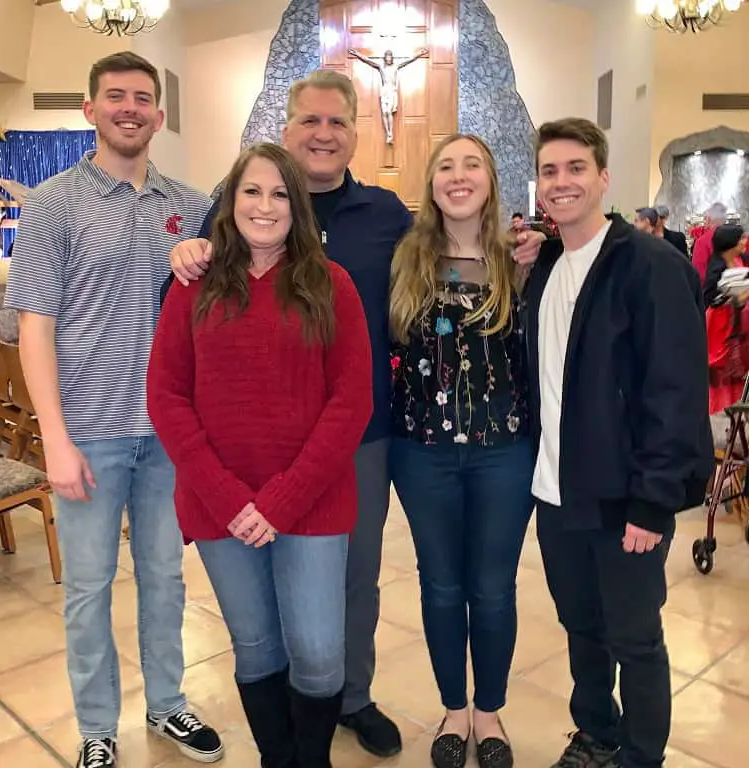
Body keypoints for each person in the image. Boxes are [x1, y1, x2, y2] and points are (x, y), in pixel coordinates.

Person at [166, 69, 545, 759]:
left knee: (353, 577)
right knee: (269, 588)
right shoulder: (240, 208)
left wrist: (518, 255)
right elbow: (191, 298)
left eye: (337, 122)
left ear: (353, 134)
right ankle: (286, 699)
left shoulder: (388, 217)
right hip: (246, 444)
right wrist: (186, 252)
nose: (322, 132)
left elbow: (453, 262)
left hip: (360, 432)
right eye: (309, 121)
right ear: (286, 132)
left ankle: (351, 695)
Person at [4, 52, 223, 768]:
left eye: (142, 98)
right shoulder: (52, 203)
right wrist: (54, 441)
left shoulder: (188, 205)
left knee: (164, 578)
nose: (129, 108)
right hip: (88, 434)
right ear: (90, 110)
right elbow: (34, 325)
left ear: (158, 116)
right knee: (89, 588)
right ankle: (98, 727)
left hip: (168, 436)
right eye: (115, 97)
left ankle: (167, 705)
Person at [147, 141, 373, 768]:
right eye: (252, 191)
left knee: (320, 650)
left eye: (280, 193)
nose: (265, 205)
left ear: (298, 208)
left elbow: (351, 402)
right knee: (256, 646)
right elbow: (166, 397)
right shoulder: (193, 287)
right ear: (230, 201)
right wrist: (228, 499)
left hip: (312, 500)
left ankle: (312, 758)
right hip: (219, 504)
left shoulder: (333, 286)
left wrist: (280, 501)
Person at [523, 118, 713, 768]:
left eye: (576, 168)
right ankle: (597, 731)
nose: (562, 182)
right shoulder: (547, 266)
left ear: (603, 177)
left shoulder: (649, 264)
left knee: (635, 638)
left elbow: (674, 392)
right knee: (582, 628)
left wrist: (653, 502)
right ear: (539, 187)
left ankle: (640, 754)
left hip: (624, 496)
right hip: (557, 491)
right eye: (550, 171)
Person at [389, 135, 533, 768]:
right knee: (443, 586)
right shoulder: (403, 259)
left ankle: (489, 711)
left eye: (471, 163)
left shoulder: (523, 261)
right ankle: (454, 707)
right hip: (421, 452)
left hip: (505, 452)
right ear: (432, 183)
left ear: (490, 179)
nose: (458, 175)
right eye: (446, 165)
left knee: (494, 589)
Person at [703, 224, 749, 414]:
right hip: (720, 325)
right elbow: (711, 299)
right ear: (730, 243)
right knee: (721, 369)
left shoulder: (739, 260)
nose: (744, 241)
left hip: (737, 324)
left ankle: (733, 407)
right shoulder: (717, 268)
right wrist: (738, 296)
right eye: (740, 239)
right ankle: (718, 409)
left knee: (735, 371)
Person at [346, 48, 429, 144]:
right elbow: (368, 60)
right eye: (387, 57)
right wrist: (357, 54)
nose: (388, 59)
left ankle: (390, 134)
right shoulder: (381, 67)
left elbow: (408, 60)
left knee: (389, 112)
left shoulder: (396, 66)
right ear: (385, 58)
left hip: (391, 91)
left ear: (391, 58)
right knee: (384, 112)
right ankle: (388, 133)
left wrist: (419, 54)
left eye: (390, 57)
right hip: (384, 90)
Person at [692, 202, 728, 283]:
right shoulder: (734, 237)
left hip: (712, 290)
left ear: (708, 219)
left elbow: (699, 273)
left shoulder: (702, 242)